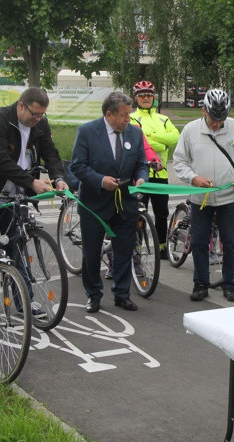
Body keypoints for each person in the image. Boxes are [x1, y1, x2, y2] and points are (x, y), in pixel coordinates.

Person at [0, 87, 68, 317]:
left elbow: (51, 154)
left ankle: (24, 301)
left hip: (15, 193)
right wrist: (32, 182)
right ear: (21, 105)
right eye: (34, 114)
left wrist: (59, 178)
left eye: (42, 115)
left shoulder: (40, 125)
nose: (38, 119)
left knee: (17, 245)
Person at [173, 88, 234, 302]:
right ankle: (200, 283)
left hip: (230, 197)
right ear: (204, 110)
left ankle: (229, 283)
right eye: (213, 118)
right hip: (201, 198)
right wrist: (193, 178)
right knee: (199, 241)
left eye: (221, 119)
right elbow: (180, 162)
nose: (217, 124)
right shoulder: (191, 130)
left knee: (230, 242)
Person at [71, 91, 148, 314]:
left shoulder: (134, 133)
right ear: (108, 114)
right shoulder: (87, 132)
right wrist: (101, 180)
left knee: (124, 250)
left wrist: (142, 177)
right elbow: (78, 166)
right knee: (92, 252)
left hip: (125, 202)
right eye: (124, 115)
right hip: (95, 203)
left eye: (129, 115)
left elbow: (142, 162)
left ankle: (122, 294)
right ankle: (94, 294)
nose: (128, 120)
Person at [130, 80, 180, 259]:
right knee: (137, 213)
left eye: (149, 95)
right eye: (141, 95)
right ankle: (135, 247)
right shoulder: (132, 118)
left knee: (161, 213)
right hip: (140, 175)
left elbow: (175, 138)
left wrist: (150, 136)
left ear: (154, 97)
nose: (145, 98)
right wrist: (160, 142)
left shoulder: (163, 119)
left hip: (161, 173)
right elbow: (140, 143)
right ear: (136, 98)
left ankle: (162, 247)